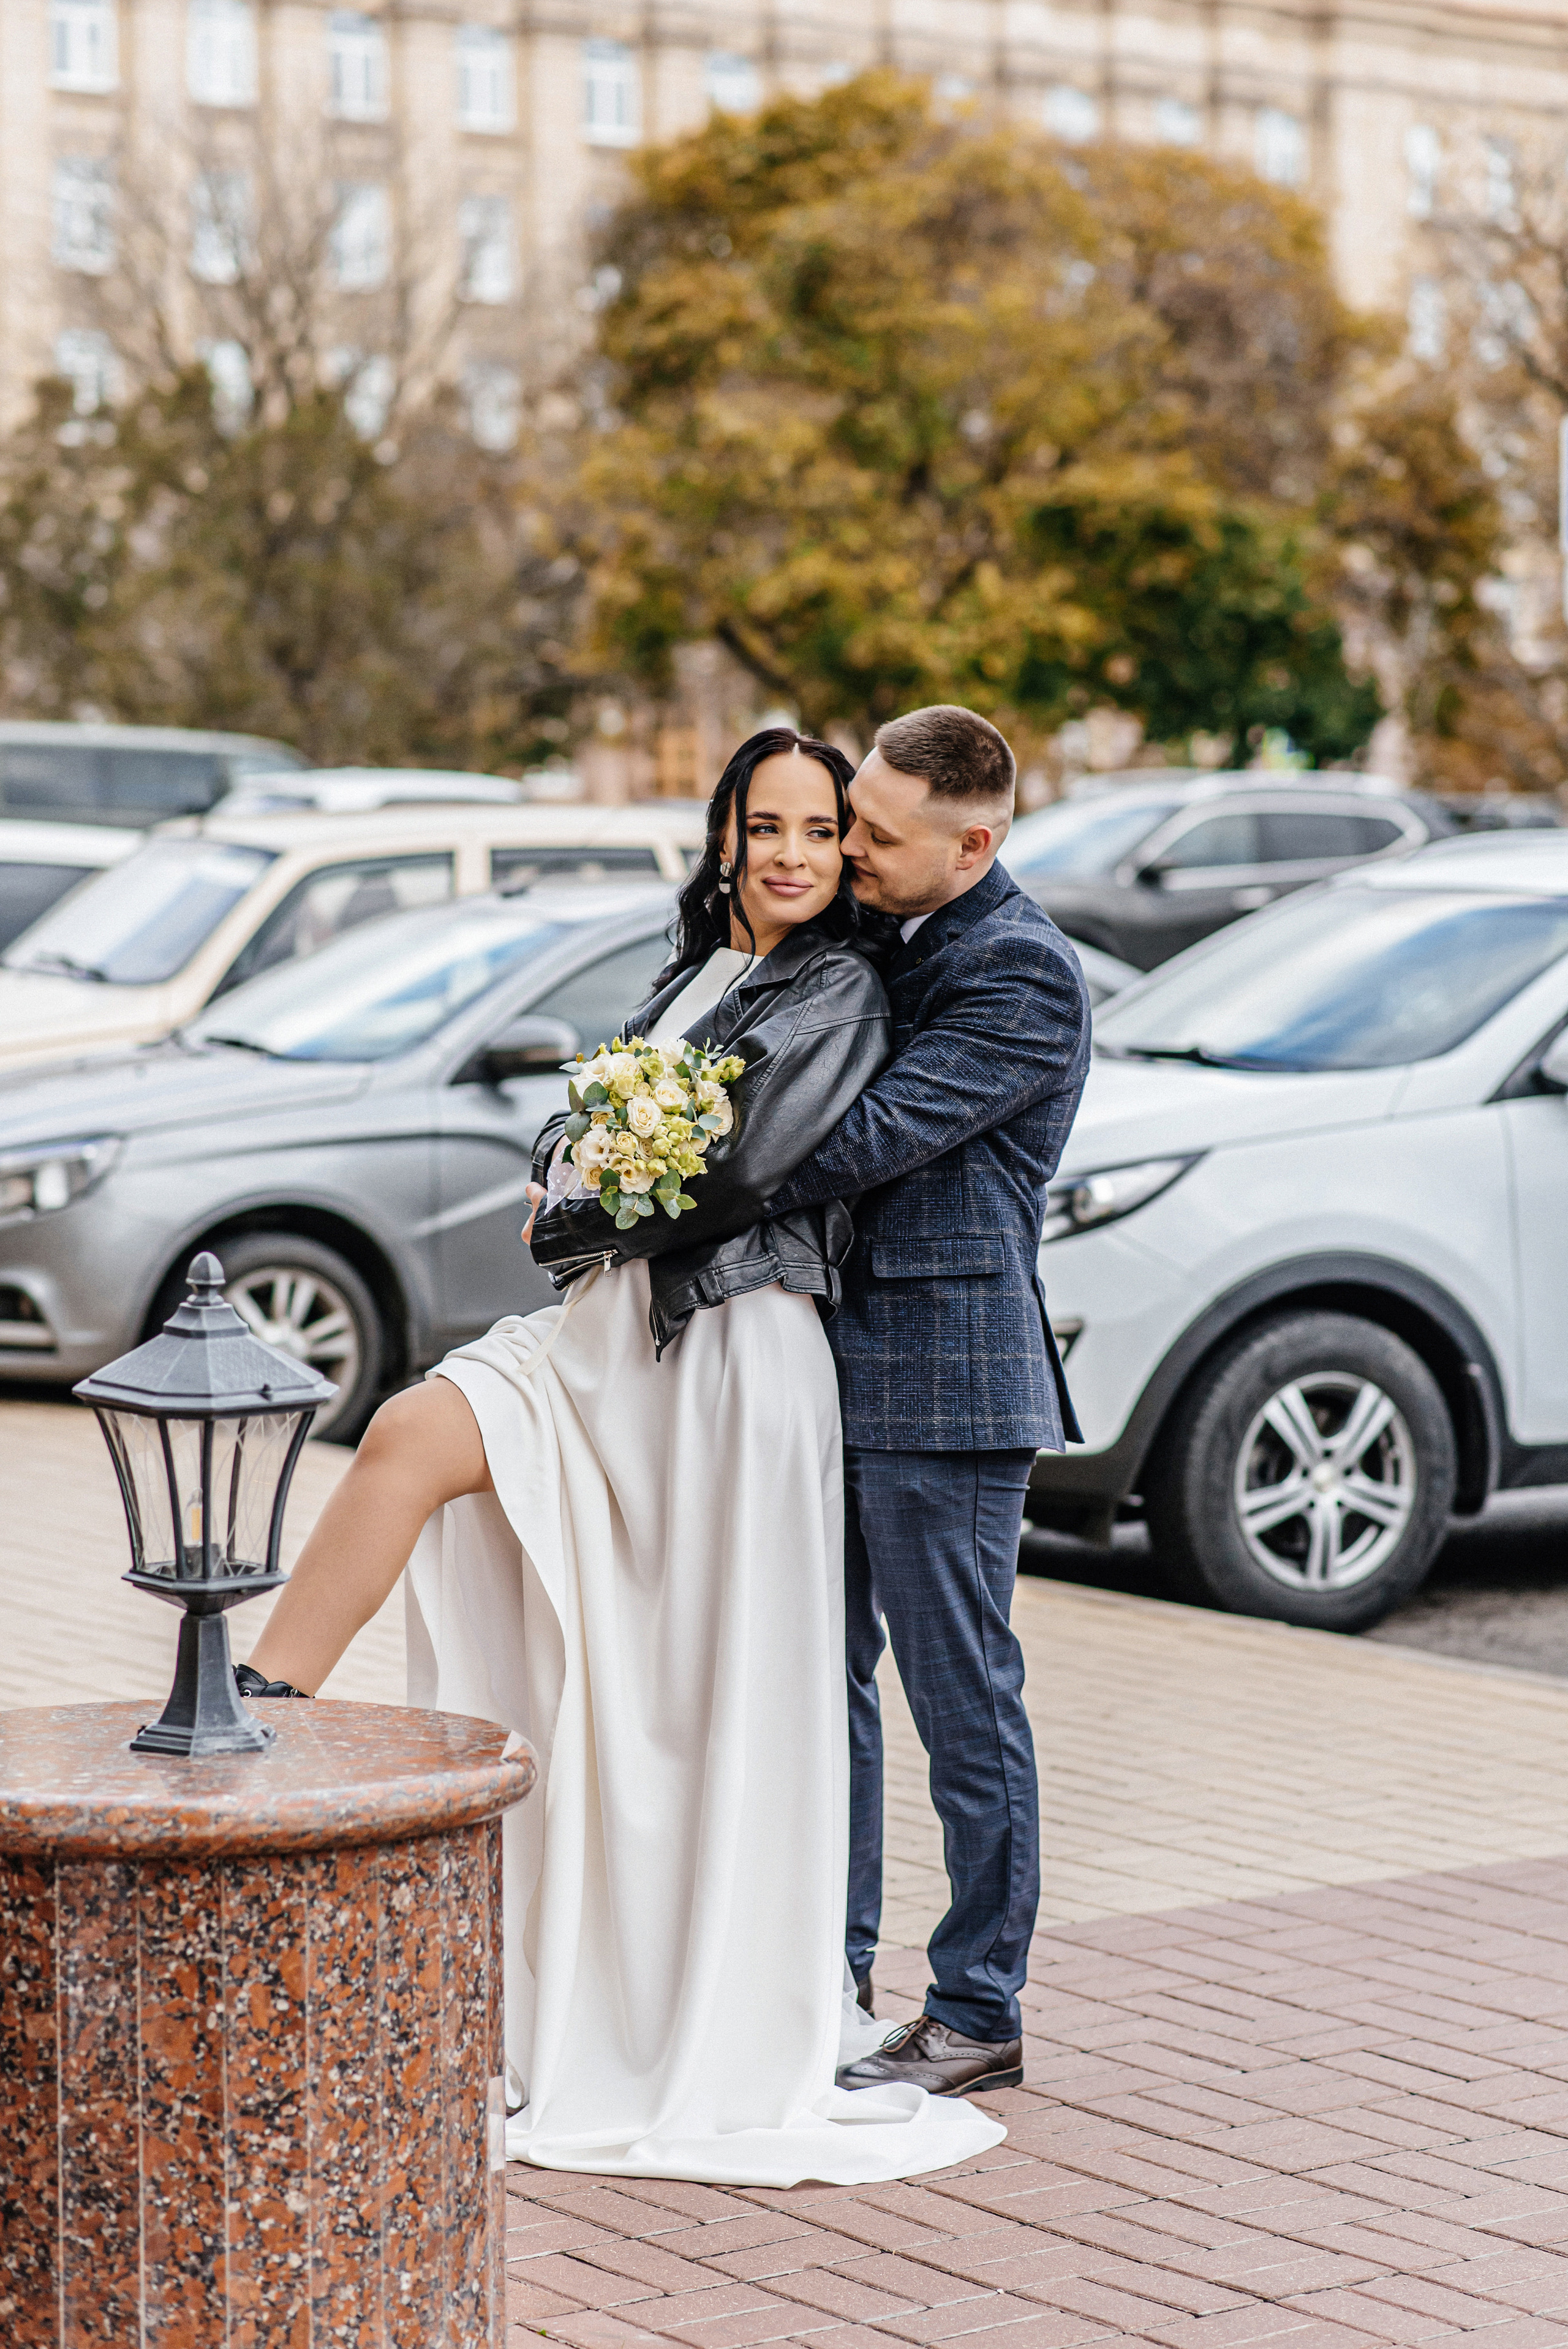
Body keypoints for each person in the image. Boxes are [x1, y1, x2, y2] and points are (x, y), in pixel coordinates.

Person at [241, 726, 1005, 2186]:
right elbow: (578, 1124)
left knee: (680, 1687)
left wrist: (575, 1212)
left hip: (724, 1361)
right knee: (407, 1434)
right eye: (763, 824)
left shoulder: (835, 985)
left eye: (816, 830)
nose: (790, 853)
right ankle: (257, 1708)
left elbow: (746, 1169)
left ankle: (679, 1992)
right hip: (610, 1331)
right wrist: (564, 1180)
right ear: (723, 832)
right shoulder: (697, 971)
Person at [764, 705, 1091, 2100]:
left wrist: (657, 1178)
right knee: (821, 1688)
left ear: (977, 842)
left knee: (962, 1708)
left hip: (950, 1384)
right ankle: (833, 1978)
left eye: (879, 838)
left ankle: (975, 2010)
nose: (852, 853)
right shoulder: (891, 939)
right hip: (833, 1368)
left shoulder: (1018, 971)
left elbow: (864, 1138)